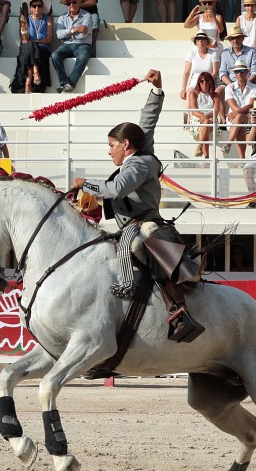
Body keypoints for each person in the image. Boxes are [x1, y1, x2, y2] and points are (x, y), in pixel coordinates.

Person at [73, 70, 203, 343]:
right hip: (134, 220)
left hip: (145, 223)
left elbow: (119, 188)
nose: (109, 151)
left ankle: (174, 309)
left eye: (111, 145)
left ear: (125, 144)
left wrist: (86, 184)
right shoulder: (140, 153)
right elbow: (148, 121)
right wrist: (156, 89)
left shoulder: (138, 164)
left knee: (131, 244)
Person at [51, 0, 93, 93]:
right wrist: (75, 30)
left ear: (79, 3)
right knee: (55, 55)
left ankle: (70, 84)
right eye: (68, 3)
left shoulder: (87, 16)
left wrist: (67, 32)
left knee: (83, 56)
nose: (71, 5)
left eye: (74, 2)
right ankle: (64, 83)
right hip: (67, 45)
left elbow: (83, 36)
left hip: (83, 45)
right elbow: (59, 35)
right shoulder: (62, 17)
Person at [11, 0, 52, 94]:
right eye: (34, 6)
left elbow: (49, 39)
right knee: (29, 46)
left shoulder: (48, 18)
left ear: (42, 7)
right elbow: (24, 39)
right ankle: (35, 72)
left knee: (31, 46)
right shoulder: (26, 19)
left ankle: (28, 82)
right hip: (28, 47)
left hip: (43, 47)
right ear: (30, 8)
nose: (37, 8)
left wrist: (34, 42)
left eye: (39, 6)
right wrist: (24, 24)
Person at [225, 58, 256, 158]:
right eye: (237, 71)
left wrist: (237, 113)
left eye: (241, 71)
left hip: (240, 118)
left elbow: (251, 105)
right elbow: (233, 105)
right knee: (240, 118)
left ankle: (229, 144)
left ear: (247, 72)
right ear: (234, 74)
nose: (239, 74)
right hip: (235, 119)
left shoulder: (254, 87)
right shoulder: (229, 87)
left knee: (239, 117)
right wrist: (239, 113)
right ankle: (242, 158)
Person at [217, 24, 256, 103]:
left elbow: (255, 72)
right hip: (230, 83)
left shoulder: (252, 52)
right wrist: (232, 85)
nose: (235, 41)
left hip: (248, 83)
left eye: (237, 38)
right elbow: (222, 74)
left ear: (242, 38)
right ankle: (223, 116)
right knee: (218, 92)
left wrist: (245, 84)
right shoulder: (225, 53)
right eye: (232, 38)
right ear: (229, 40)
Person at [187, 72, 222, 159]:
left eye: (207, 81)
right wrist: (203, 117)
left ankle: (200, 146)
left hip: (211, 118)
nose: (204, 83)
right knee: (206, 124)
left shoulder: (215, 95)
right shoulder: (193, 94)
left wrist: (206, 117)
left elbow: (216, 111)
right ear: (198, 82)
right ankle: (206, 156)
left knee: (206, 123)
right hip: (198, 119)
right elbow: (193, 110)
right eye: (201, 81)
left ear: (211, 82)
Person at [181, 30, 219, 106]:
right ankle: (190, 117)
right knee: (189, 93)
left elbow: (215, 72)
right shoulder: (191, 54)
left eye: (203, 39)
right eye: (198, 39)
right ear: (196, 42)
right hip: (195, 82)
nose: (200, 41)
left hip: (209, 82)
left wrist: (206, 83)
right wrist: (183, 89)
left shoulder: (213, 54)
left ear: (207, 42)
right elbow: (186, 73)